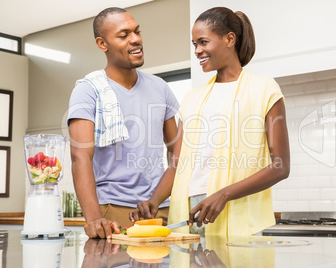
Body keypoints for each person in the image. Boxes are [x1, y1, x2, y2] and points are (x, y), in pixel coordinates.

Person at [131, 6, 290, 236]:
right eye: (194, 44)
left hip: (236, 211)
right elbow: (177, 165)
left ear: (229, 39)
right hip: (189, 216)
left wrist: (223, 194)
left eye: (203, 42)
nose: (197, 50)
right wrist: (153, 201)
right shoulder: (192, 98)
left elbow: (281, 166)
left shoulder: (264, 89)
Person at [67, 7, 179, 239]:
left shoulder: (160, 87)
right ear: (102, 43)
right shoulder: (88, 90)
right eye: (124, 34)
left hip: (161, 210)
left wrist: (158, 198)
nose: (136, 39)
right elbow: (80, 157)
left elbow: (177, 154)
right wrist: (94, 218)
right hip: (113, 212)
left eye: (137, 31)